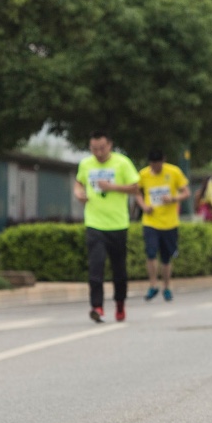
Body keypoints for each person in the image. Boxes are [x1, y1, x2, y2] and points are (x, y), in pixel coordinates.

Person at [74, 131, 140, 324]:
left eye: (102, 148)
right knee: (96, 266)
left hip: (118, 224)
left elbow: (136, 188)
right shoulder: (86, 164)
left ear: (110, 145)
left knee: (119, 270)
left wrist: (112, 187)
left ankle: (120, 303)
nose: (98, 153)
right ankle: (97, 307)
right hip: (94, 223)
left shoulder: (122, 163)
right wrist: (79, 194)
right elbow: (78, 183)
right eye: (94, 149)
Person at [137, 149, 191, 302]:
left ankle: (166, 287)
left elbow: (186, 192)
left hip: (169, 222)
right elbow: (136, 192)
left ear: (163, 160)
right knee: (151, 252)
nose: (155, 167)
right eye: (152, 164)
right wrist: (143, 206)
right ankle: (153, 285)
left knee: (166, 257)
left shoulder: (174, 172)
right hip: (151, 221)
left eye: (158, 164)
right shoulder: (143, 174)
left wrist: (173, 198)